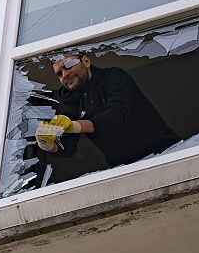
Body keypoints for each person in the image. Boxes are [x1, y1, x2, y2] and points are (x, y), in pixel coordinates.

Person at [36, 52, 180, 168]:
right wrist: (46, 143)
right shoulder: (69, 100)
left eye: (68, 65)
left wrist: (75, 126)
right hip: (124, 170)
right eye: (59, 74)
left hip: (166, 155)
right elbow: (67, 148)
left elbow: (116, 116)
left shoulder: (113, 77)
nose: (64, 74)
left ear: (86, 61)